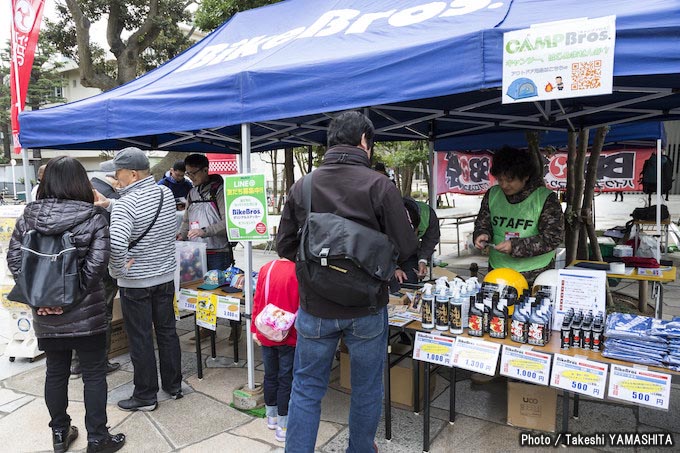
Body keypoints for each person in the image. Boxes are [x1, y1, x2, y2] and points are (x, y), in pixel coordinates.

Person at [277, 111, 417, 452]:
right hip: (367, 307)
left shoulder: (304, 185)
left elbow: (284, 244)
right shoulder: (379, 185)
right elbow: (407, 244)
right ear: (364, 142)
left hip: (316, 306)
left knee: (307, 386)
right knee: (367, 387)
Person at [7, 157, 126, 453]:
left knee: (56, 372)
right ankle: (98, 438)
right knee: (94, 374)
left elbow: (15, 261)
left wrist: (45, 299)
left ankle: (60, 434)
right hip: (86, 314)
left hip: (46, 315)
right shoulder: (94, 217)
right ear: (80, 182)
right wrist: (68, 299)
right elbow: (97, 267)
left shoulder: (27, 217)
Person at [99, 147, 183, 412]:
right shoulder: (165, 193)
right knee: (168, 332)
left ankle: (146, 396)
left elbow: (117, 243)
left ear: (133, 174)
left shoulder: (126, 205)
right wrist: (109, 204)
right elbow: (146, 213)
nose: (115, 178)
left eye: (118, 173)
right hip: (165, 277)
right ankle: (173, 385)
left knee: (142, 338)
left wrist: (117, 272)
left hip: (136, 283)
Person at [473, 146, 564, 285]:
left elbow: (553, 238)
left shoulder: (545, 199)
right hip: (498, 270)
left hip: (535, 273)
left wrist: (515, 246)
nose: (504, 185)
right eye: (500, 179)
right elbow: (483, 223)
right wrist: (482, 234)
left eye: (510, 180)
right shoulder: (493, 194)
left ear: (525, 176)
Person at [71, 174, 123, 378]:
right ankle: (99, 361)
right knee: (102, 314)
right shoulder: (106, 196)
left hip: (78, 267)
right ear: (114, 177)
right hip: (101, 267)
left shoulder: (78, 193)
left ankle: (77, 363)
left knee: (81, 313)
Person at [251, 258, 299, 444]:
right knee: (286, 378)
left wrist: (255, 329)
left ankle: (271, 416)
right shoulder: (299, 270)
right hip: (290, 335)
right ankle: (283, 425)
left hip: (266, 331)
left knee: (270, 375)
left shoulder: (266, 267)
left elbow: (258, 300)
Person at [178, 154, 233, 270]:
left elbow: (228, 222)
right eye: (188, 173)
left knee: (217, 287)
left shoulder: (220, 191)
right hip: (195, 251)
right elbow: (186, 221)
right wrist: (181, 235)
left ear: (205, 170)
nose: (191, 177)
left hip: (218, 252)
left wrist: (204, 231)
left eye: (194, 173)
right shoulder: (192, 193)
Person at [402, 197, 441, 282]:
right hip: (386, 253)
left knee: (410, 280)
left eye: (415, 233)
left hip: (410, 254)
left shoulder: (427, 214)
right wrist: (393, 268)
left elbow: (431, 239)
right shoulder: (389, 215)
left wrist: (422, 260)